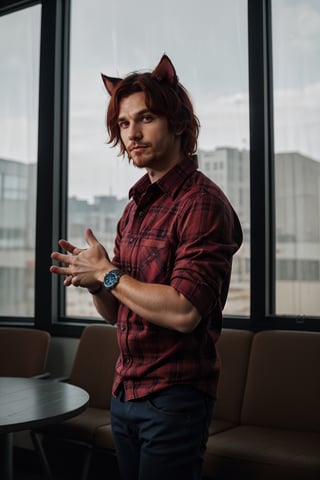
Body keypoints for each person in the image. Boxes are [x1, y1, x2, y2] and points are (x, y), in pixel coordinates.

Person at [50, 54, 243, 480]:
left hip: (174, 400)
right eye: (123, 124)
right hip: (126, 391)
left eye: (146, 118)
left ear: (177, 123)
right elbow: (120, 312)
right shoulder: (134, 209)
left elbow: (182, 311)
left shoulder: (203, 203)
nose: (132, 134)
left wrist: (108, 274)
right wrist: (97, 284)